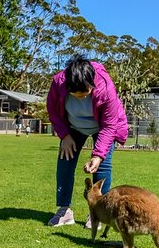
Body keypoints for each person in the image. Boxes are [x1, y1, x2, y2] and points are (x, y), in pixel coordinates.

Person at [46, 55, 128, 228]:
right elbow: (52, 110)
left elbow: (109, 125)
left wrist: (98, 155)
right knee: (65, 161)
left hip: (102, 127)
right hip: (73, 128)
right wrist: (64, 136)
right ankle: (64, 210)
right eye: (75, 95)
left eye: (85, 94)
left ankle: (98, 213)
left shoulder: (106, 88)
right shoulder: (58, 83)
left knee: (103, 165)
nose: (80, 98)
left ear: (92, 84)